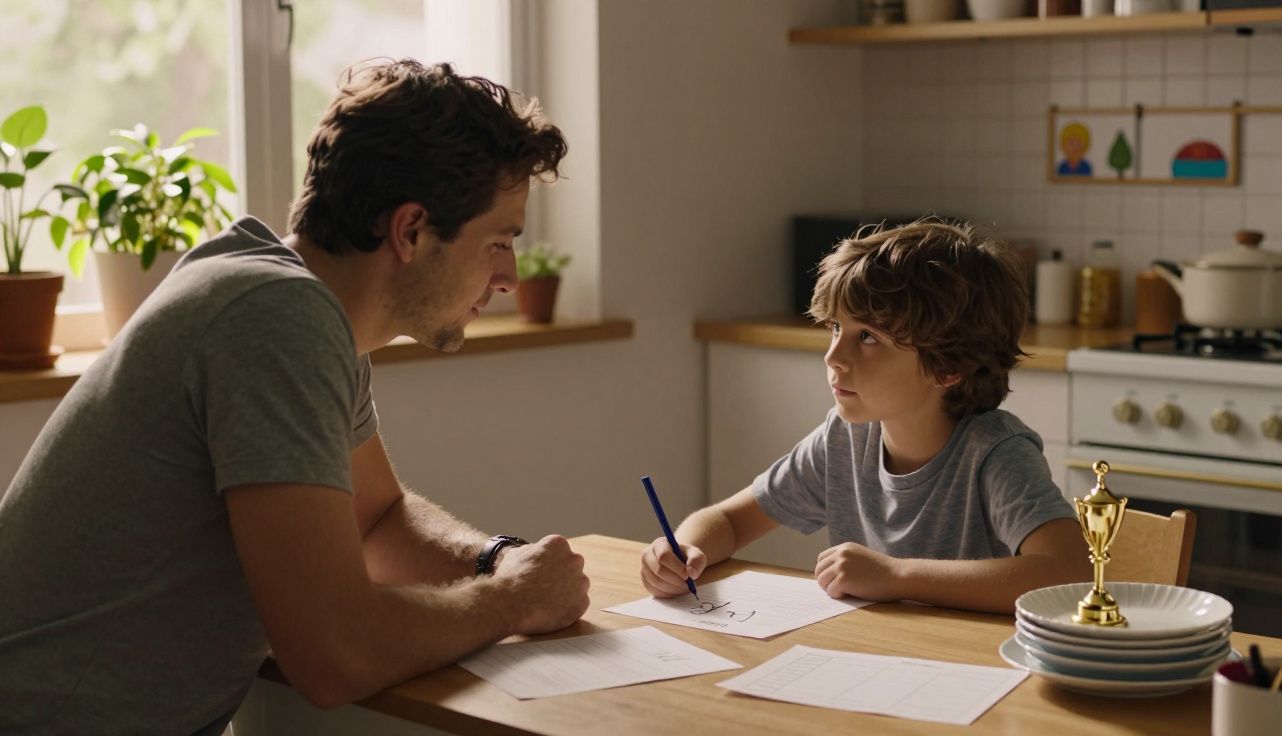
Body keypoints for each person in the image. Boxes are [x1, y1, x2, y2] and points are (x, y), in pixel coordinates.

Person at [0, 59, 589, 735]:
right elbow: (336, 653)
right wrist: (509, 600)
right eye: (500, 241)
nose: (512, 275)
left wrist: (497, 560)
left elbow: (378, 520)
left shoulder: (296, 304)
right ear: (412, 229)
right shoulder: (276, 318)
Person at [640, 220, 1087, 614]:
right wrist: (686, 548)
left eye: (868, 338)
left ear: (948, 366)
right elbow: (732, 522)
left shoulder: (994, 452)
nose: (834, 356)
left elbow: (1066, 575)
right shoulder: (845, 438)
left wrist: (898, 577)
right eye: (836, 328)